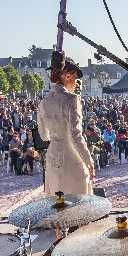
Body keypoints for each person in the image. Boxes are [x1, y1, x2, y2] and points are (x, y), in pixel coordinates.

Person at [38, 50, 95, 201]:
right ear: (67, 75)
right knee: (79, 209)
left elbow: (44, 136)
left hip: (53, 160)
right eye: (75, 77)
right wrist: (89, 162)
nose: (76, 82)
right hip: (71, 161)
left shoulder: (43, 102)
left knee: (57, 210)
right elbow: (75, 136)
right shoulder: (72, 99)